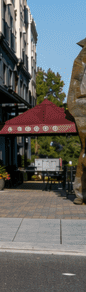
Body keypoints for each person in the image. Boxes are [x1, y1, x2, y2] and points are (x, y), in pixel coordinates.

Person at [68, 38, 86, 205]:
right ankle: (81, 193)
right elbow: (76, 84)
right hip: (83, 107)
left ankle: (81, 193)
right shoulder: (82, 58)